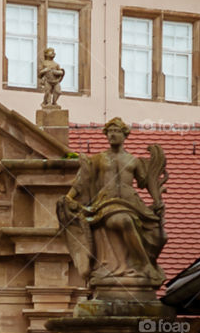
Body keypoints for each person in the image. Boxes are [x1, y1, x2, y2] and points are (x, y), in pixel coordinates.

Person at [58, 117, 166, 288]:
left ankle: (136, 267)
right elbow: (83, 180)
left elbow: (145, 183)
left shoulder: (133, 161)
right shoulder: (98, 159)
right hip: (106, 203)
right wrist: (69, 197)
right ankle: (144, 265)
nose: (112, 135)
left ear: (125, 135)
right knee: (122, 221)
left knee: (159, 235)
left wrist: (157, 201)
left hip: (131, 203)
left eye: (116, 131)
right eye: (109, 132)